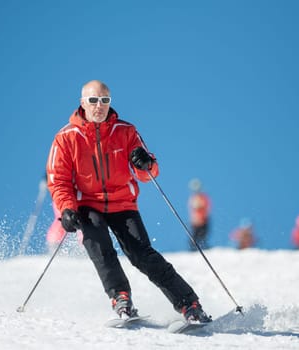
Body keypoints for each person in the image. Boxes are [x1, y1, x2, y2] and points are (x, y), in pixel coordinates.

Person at [46, 80, 211, 323]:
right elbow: (58, 179)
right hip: (88, 204)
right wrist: (67, 208)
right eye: (93, 100)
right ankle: (121, 298)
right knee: (98, 245)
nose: (99, 106)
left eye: (105, 100)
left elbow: (148, 174)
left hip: (123, 204)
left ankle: (190, 305)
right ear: (83, 103)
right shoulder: (66, 137)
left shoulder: (126, 131)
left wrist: (145, 163)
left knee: (141, 254)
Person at [187, 178, 211, 250]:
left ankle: (203, 249)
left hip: (203, 221)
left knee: (202, 238)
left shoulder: (203, 197)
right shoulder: (193, 198)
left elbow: (206, 207)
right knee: (194, 239)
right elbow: (192, 210)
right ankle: (194, 250)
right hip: (196, 222)